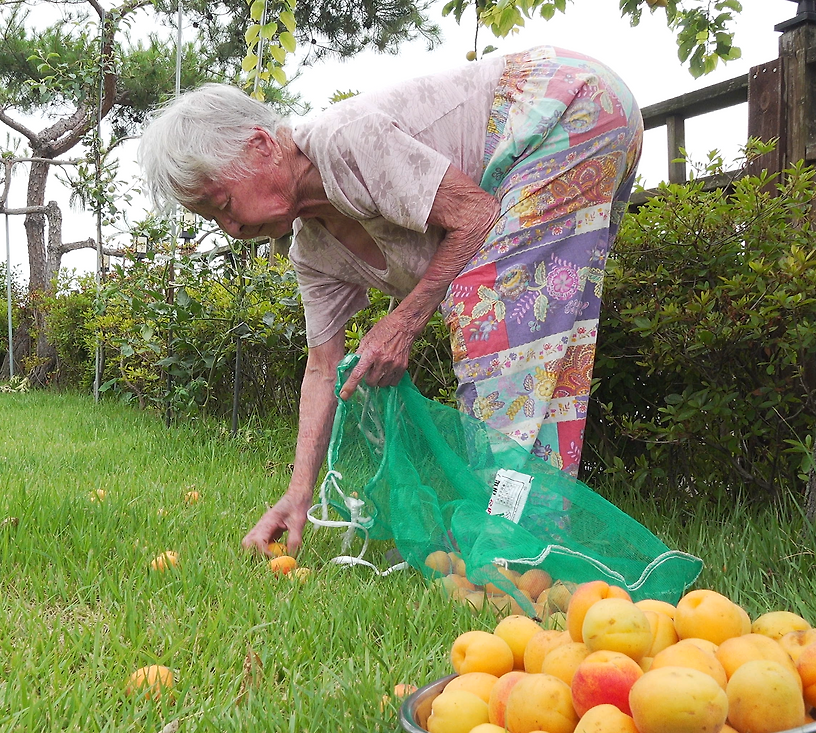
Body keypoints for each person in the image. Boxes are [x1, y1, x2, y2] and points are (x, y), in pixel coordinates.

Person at [138, 46, 642, 556]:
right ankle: (534, 536)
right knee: (544, 341)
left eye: (223, 203)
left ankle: (505, 532)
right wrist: (298, 493)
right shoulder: (313, 249)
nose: (232, 228)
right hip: (583, 119)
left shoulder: (343, 141)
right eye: (213, 219)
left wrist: (402, 322)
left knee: (489, 306)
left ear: (262, 145)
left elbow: (475, 216)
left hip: (566, 107)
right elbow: (322, 368)